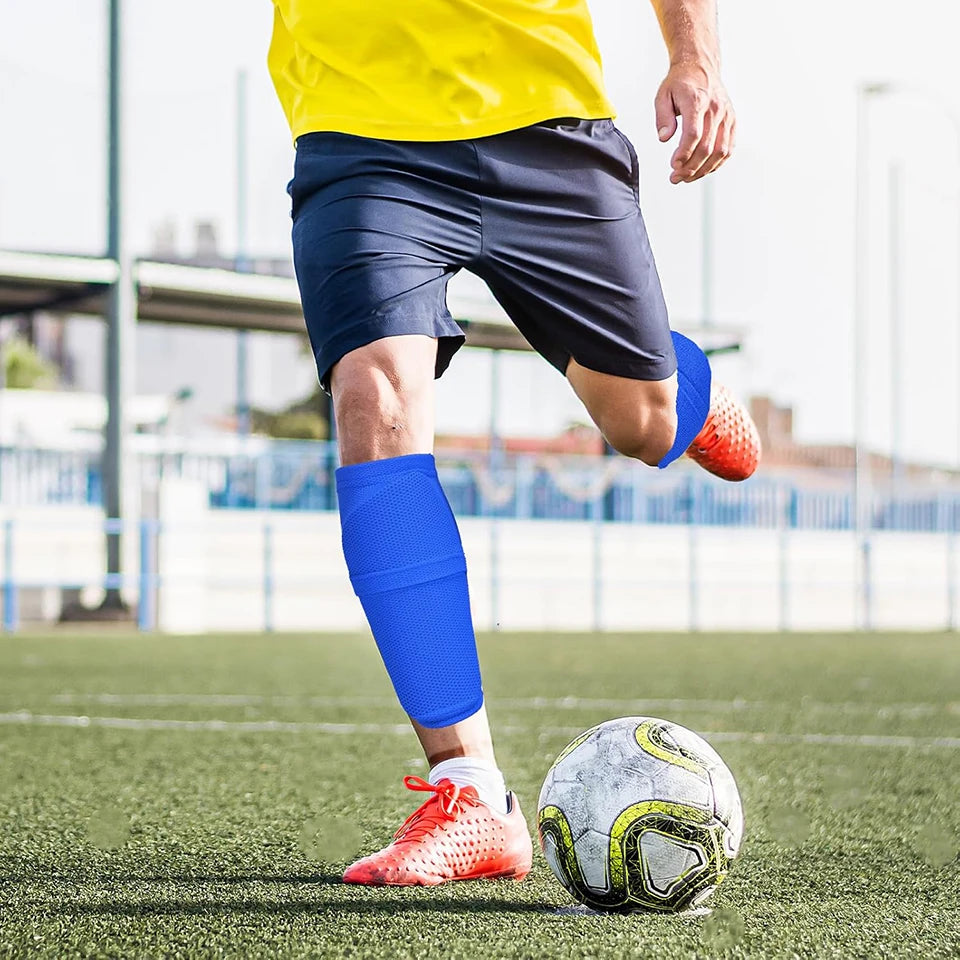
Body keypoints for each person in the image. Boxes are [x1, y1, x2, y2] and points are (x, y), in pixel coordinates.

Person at [267, 0, 760, 886]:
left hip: (544, 123)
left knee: (637, 422)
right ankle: (471, 793)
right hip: (360, 136)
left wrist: (696, 56)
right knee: (372, 395)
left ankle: (678, 395)